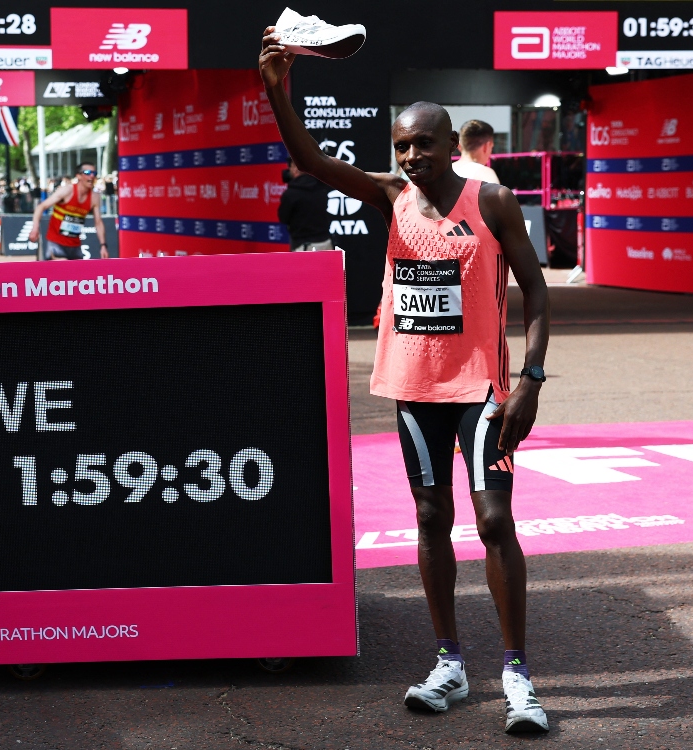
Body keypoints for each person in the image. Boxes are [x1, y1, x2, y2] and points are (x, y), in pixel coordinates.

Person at [260, 28, 550, 734]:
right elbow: (307, 158)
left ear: (451, 145)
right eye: (402, 147)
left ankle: (518, 674)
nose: (412, 157)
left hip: (483, 390)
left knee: (494, 519)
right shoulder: (390, 196)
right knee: (428, 517)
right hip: (414, 389)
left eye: (424, 144)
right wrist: (277, 86)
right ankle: (449, 662)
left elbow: (539, 295)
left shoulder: (492, 202)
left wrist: (531, 381)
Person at [28, 163, 108, 260]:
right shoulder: (67, 190)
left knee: (78, 274)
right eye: (87, 172)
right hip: (56, 243)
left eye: (94, 173)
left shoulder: (95, 197)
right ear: (78, 175)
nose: (92, 176)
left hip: (75, 245)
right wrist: (35, 228)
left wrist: (103, 245)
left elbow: (98, 222)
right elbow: (41, 207)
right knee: (56, 273)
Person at [278, 157, 333, 251]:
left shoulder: (290, 194)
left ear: (295, 169)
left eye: (290, 167)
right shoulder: (321, 187)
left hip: (303, 246)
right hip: (325, 243)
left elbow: (283, 217)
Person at [453, 120, 500, 184]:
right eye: (491, 147)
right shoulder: (484, 174)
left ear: (459, 146)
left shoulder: (443, 171)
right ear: (486, 146)